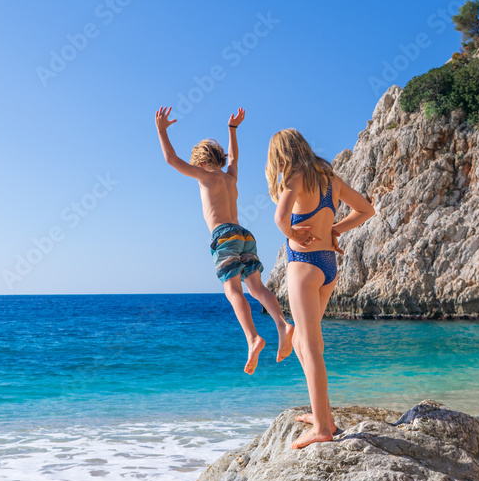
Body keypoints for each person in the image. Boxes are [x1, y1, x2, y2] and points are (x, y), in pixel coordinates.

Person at [155, 106, 294, 374]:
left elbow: (171, 159)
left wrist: (161, 131)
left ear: (199, 161)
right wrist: (232, 129)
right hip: (244, 234)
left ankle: (253, 338)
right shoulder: (230, 177)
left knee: (233, 291)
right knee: (256, 287)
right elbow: (236, 159)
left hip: (224, 236)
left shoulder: (204, 176)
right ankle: (282, 324)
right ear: (219, 157)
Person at [266, 128, 375, 448]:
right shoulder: (330, 181)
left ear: (280, 157)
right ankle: (322, 415)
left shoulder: (295, 179)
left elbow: (278, 218)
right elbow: (366, 210)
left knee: (311, 347)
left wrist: (294, 235)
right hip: (328, 268)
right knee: (303, 340)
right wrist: (335, 230)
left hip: (303, 266)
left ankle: (323, 429)